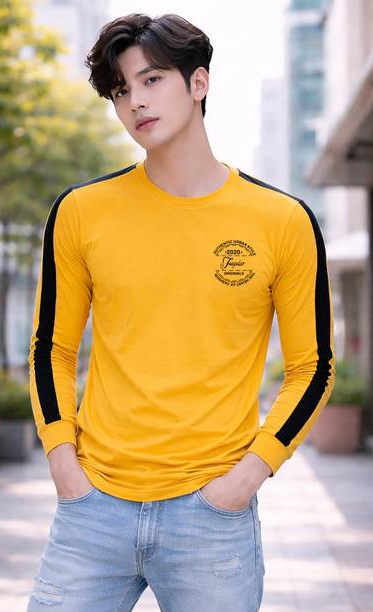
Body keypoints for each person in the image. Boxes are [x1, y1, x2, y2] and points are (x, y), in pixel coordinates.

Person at [26, 12, 336, 612]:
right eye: (121, 91)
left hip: (211, 518)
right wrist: (63, 461)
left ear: (199, 83)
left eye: (152, 80)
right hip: (94, 509)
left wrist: (249, 476)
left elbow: (313, 366)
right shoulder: (82, 211)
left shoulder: (283, 221)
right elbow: (52, 349)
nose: (136, 102)